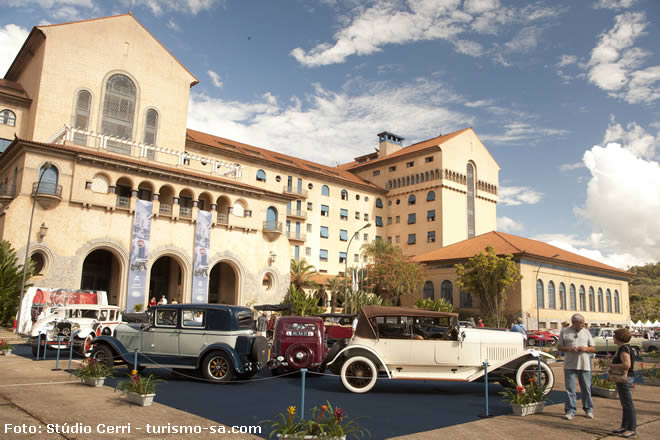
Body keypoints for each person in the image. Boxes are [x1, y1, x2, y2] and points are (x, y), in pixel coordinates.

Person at [557, 313, 595, 420]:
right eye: (581, 323)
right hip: (570, 364)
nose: (583, 324)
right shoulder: (564, 331)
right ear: (574, 323)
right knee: (570, 389)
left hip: (584, 365)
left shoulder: (586, 332)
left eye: (583, 323)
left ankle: (588, 409)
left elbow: (593, 348)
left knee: (586, 388)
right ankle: (570, 410)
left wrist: (585, 349)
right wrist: (569, 349)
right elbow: (559, 347)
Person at [608, 328, 636, 438]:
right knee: (625, 403)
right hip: (625, 378)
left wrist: (612, 365)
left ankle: (631, 428)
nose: (613, 338)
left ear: (618, 337)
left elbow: (626, 365)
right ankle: (624, 426)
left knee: (628, 404)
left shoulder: (623, 349)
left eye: (614, 336)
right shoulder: (625, 347)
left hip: (625, 378)